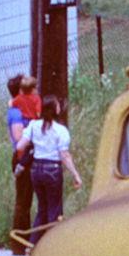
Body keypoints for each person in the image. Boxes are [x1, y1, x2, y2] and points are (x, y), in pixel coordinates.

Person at [21, 95, 83, 247]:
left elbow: (20, 146)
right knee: (54, 210)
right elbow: (64, 155)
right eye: (58, 105)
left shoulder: (33, 126)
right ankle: (52, 246)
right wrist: (75, 174)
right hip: (52, 170)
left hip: (36, 169)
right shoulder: (60, 130)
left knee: (42, 208)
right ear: (55, 109)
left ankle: (32, 244)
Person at [5, 73, 41, 256]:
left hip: (33, 155)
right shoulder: (16, 112)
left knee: (30, 198)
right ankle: (19, 243)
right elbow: (19, 137)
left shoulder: (24, 107)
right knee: (24, 200)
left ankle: (29, 239)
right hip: (23, 156)